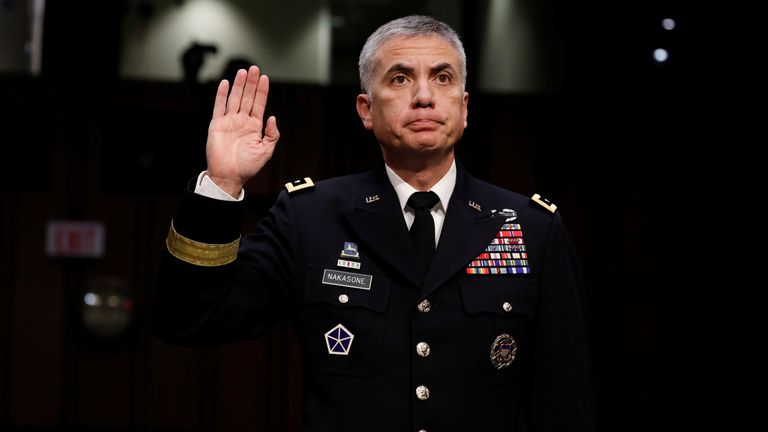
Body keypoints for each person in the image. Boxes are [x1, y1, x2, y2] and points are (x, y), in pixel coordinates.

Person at [151, 15, 594, 431]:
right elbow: (189, 320)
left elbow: (564, 402)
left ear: (464, 107)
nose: (424, 95)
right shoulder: (310, 216)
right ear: (365, 109)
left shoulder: (532, 229)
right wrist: (223, 185)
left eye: (442, 78)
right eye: (400, 78)